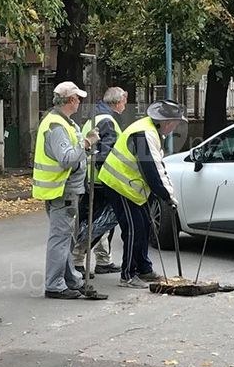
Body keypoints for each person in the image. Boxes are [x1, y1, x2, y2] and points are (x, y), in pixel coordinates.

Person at [98, 99, 186, 288]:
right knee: (134, 229)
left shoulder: (151, 131)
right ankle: (128, 275)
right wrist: (167, 196)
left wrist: (168, 192)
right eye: (176, 123)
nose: (175, 127)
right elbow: (152, 170)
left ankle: (144, 269)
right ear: (168, 122)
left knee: (144, 227)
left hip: (131, 187)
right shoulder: (144, 133)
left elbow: (159, 167)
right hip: (120, 185)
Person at [32, 81, 100, 300]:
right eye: (77, 98)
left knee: (65, 239)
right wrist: (86, 145)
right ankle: (54, 284)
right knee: (60, 239)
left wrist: (86, 145)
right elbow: (67, 159)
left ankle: (71, 279)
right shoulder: (57, 127)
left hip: (62, 189)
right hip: (62, 190)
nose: (79, 102)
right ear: (70, 100)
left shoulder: (65, 123)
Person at [72, 87, 128, 276]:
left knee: (96, 221)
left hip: (92, 178)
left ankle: (101, 260)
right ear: (118, 102)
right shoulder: (108, 121)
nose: (125, 106)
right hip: (101, 181)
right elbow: (105, 155)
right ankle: (77, 259)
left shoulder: (95, 117)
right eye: (124, 102)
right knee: (100, 221)